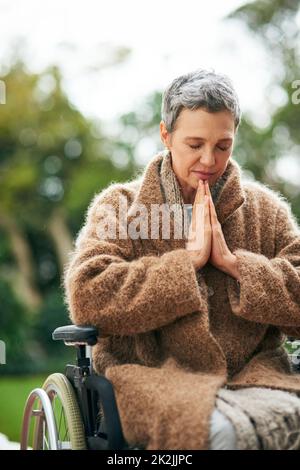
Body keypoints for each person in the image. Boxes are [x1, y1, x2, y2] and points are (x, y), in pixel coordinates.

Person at [64, 68, 300, 450]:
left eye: (223, 146)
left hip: (255, 376)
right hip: (152, 378)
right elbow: (88, 294)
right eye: (194, 144)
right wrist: (186, 262)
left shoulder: (266, 211)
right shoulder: (120, 207)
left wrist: (236, 266)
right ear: (166, 135)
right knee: (221, 433)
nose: (209, 159)